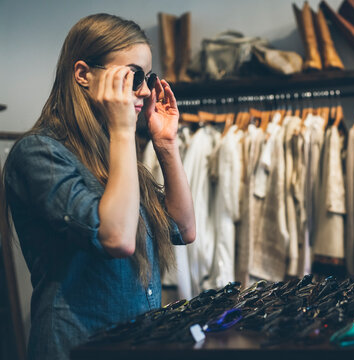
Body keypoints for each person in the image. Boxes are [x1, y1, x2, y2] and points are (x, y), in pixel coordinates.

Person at [1, 13, 196, 360]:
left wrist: (166, 144)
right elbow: (118, 238)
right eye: (133, 76)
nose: (145, 91)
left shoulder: (113, 157)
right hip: (75, 347)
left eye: (148, 78)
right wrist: (123, 131)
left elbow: (183, 229)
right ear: (82, 75)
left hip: (133, 344)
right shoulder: (39, 153)